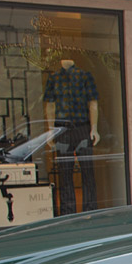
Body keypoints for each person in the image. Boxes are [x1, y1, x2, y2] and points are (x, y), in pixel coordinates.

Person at [44, 59, 99, 214]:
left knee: (86, 172)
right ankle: (70, 211)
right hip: (64, 130)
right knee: (65, 172)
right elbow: (50, 105)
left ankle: (90, 210)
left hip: (82, 127)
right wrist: (50, 130)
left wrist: (94, 128)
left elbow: (93, 103)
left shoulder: (84, 76)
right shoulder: (54, 78)